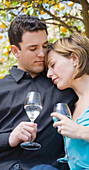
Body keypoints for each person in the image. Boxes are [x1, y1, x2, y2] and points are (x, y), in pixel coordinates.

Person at [0, 15, 77, 170]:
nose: (42, 54)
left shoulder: (63, 87)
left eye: (45, 46)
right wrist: (8, 138)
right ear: (15, 51)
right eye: (33, 48)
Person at [47, 32, 89, 169]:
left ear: (74, 59)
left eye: (52, 65)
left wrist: (81, 131)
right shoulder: (73, 104)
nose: (48, 74)